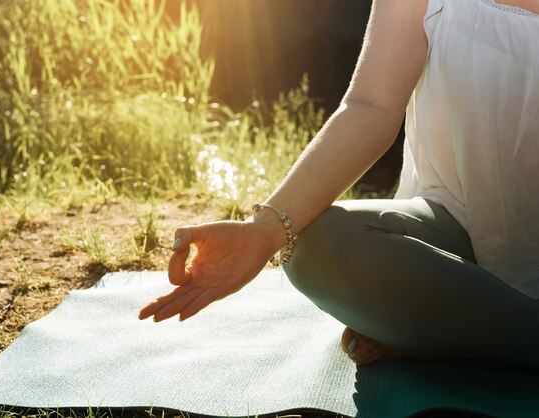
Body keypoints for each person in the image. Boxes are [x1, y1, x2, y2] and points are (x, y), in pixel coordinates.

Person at [139, 0, 539, 367]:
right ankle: (487, 333)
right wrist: (262, 232)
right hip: (456, 223)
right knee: (314, 245)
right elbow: (370, 107)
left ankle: (456, 336)